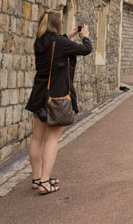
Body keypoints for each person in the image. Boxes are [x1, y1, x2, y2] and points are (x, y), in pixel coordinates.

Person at [24, 10, 93, 195]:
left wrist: (67, 36)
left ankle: (37, 178)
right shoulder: (61, 44)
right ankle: (45, 182)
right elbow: (86, 50)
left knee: (37, 138)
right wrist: (85, 37)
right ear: (57, 24)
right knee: (52, 139)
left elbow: (55, 47)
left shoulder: (40, 43)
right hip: (56, 97)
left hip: (38, 95)